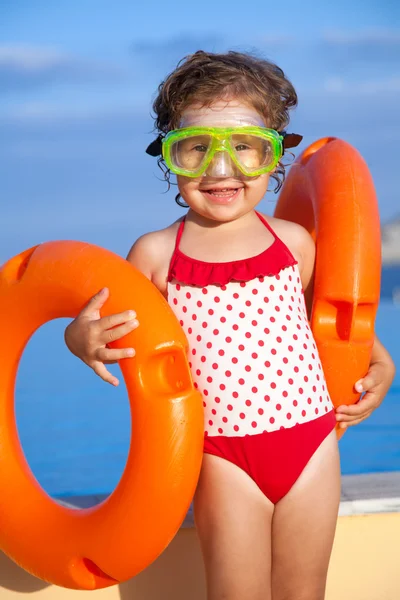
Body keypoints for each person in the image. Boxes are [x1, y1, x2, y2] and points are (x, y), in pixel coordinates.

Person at [65, 51, 396, 600]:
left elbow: (333, 327)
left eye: (244, 147)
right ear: (170, 158)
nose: (221, 170)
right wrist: (81, 339)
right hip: (223, 457)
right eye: (196, 148)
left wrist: (381, 365)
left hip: (312, 445)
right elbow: (102, 325)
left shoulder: (294, 243)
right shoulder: (154, 255)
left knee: (303, 593)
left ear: (275, 154)